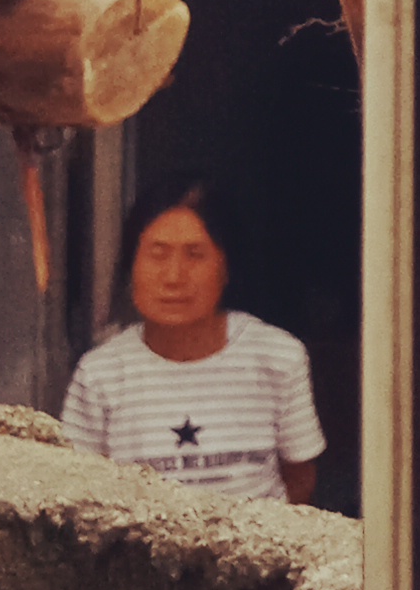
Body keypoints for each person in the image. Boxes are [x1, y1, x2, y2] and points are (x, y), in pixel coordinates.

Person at [62, 182, 322, 506]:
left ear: (226, 268)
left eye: (195, 255)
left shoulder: (278, 357)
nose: (174, 277)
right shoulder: (99, 374)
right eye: (157, 255)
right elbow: (78, 490)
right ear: (131, 267)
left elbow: (299, 478)